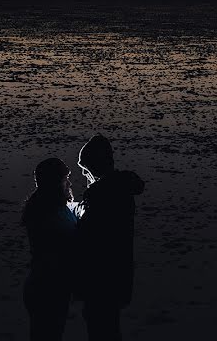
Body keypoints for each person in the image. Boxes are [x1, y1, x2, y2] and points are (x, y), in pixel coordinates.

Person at [74, 134, 145, 341]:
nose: (86, 174)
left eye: (87, 168)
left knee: (102, 329)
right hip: (117, 274)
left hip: (101, 277)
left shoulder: (100, 193)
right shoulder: (121, 188)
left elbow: (90, 237)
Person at [22, 158, 77, 341]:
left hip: (50, 286)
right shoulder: (47, 212)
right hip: (47, 289)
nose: (69, 183)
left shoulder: (51, 207)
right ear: (55, 183)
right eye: (65, 179)